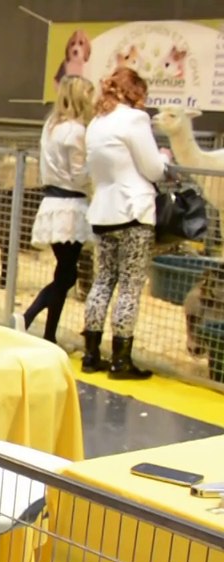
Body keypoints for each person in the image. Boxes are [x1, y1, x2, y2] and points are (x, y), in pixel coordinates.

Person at [80, 67, 172, 380]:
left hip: (103, 212)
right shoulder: (134, 119)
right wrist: (164, 157)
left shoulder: (96, 123)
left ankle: (91, 354)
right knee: (131, 285)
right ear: (134, 91)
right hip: (133, 211)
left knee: (103, 280)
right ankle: (121, 359)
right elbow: (153, 169)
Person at [15, 75, 97, 345]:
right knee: (67, 273)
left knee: (65, 272)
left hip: (52, 203)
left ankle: (45, 331)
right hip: (70, 206)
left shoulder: (51, 125)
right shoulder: (76, 131)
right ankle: (29, 318)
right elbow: (78, 174)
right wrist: (97, 168)